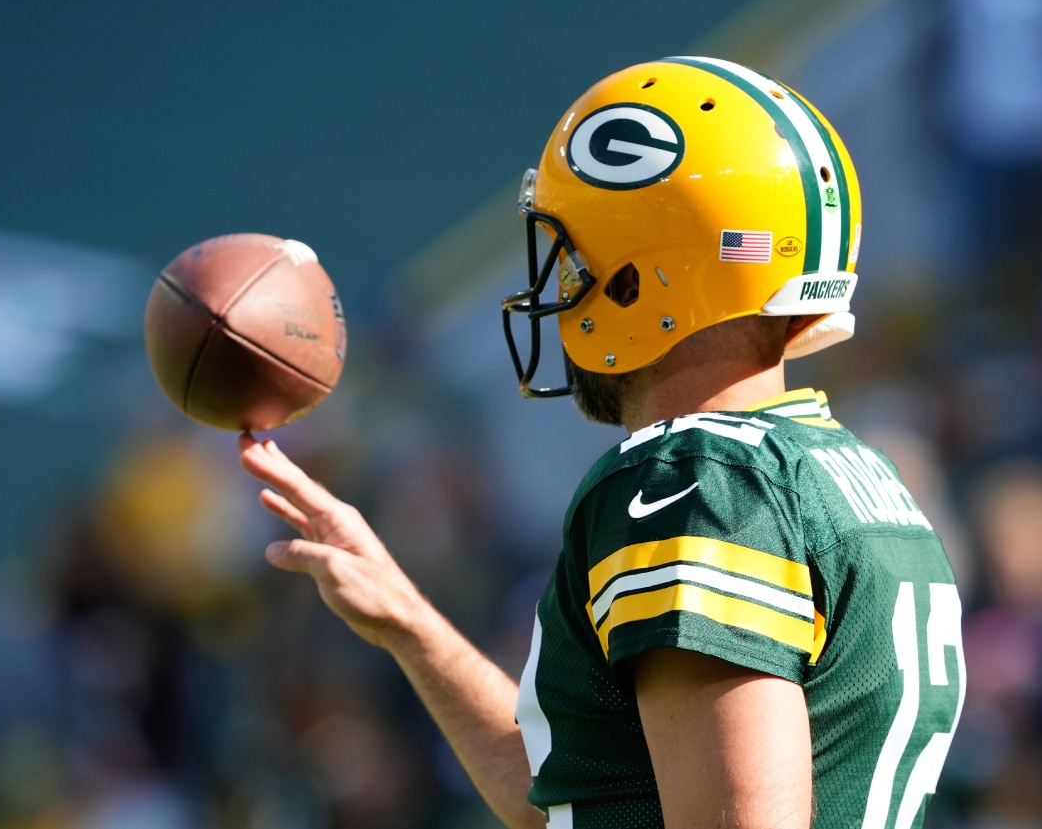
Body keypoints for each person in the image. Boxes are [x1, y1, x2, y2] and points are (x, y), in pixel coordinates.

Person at [238, 56, 966, 829]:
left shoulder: (694, 478)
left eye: (573, 259)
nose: (555, 291)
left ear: (638, 280)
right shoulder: (851, 473)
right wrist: (409, 623)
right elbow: (570, 794)